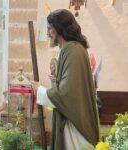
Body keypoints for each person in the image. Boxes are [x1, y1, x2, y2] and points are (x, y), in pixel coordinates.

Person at [34, 9, 99, 150]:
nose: (47, 32)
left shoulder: (73, 50)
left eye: (50, 28)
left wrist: (39, 91)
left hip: (75, 126)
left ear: (59, 28)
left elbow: (66, 94)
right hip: (71, 118)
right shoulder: (70, 49)